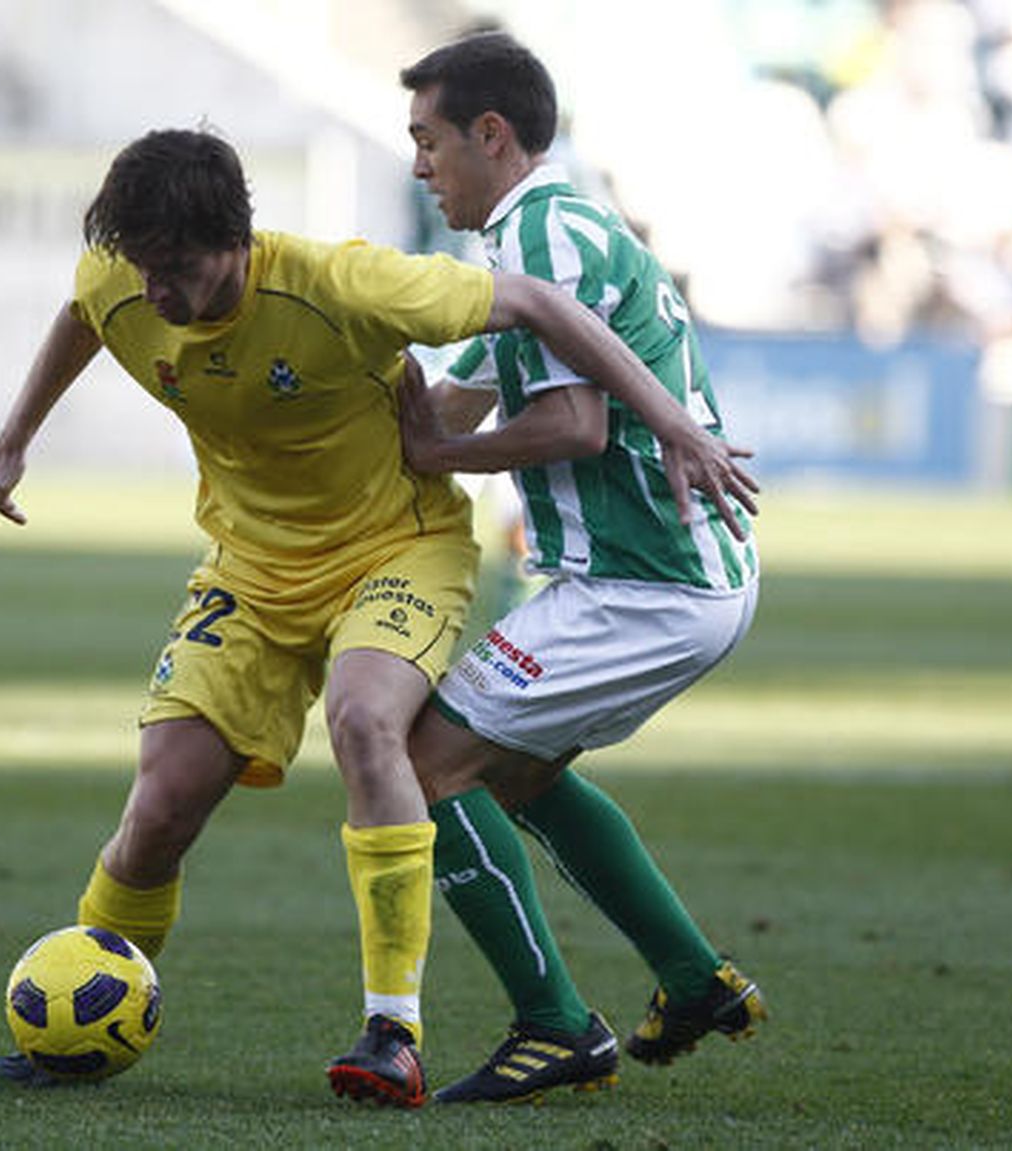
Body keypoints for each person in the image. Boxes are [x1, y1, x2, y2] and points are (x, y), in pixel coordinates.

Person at [0, 127, 755, 1107]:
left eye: (180, 270)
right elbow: (84, 310)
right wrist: (14, 437)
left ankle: (394, 1029)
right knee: (164, 798)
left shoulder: (345, 284)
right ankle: (71, 1028)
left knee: (369, 723)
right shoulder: (121, 273)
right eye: (144, 270)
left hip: (394, 549)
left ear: (238, 242)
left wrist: (673, 418)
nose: (158, 294)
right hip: (250, 567)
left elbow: (538, 304)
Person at [394, 32, 768, 1104]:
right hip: (654, 577)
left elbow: (572, 425)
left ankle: (554, 1022)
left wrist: (444, 457)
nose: (421, 165)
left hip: (645, 584)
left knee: (425, 763)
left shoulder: (545, 237)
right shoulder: (535, 235)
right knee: (519, 773)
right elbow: (449, 398)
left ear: (491, 135)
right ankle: (695, 979)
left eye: (429, 141)